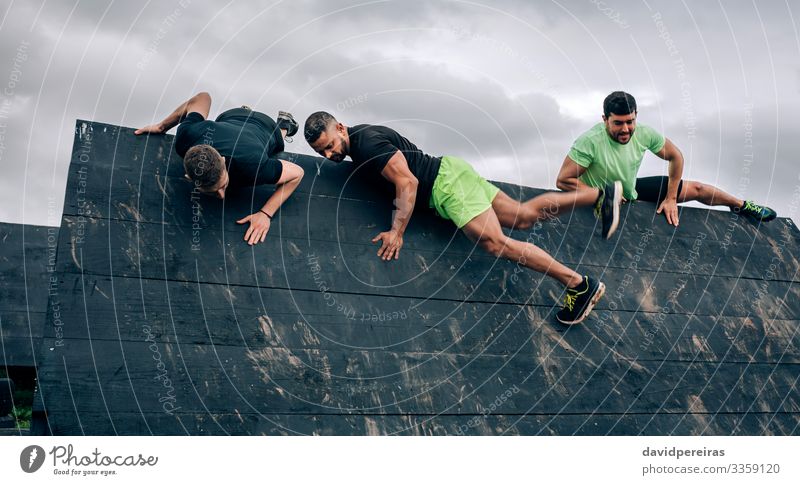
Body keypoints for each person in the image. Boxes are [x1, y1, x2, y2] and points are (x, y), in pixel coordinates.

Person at [304, 112, 615, 325]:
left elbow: (408, 182)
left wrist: (396, 231)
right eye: (323, 152)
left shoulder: (366, 144)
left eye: (331, 145)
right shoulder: (360, 140)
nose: (330, 154)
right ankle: (595, 195)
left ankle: (578, 284)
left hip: (447, 185)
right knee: (521, 216)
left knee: (495, 244)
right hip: (452, 172)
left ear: (340, 128)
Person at [556, 91, 777, 227]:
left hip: (631, 191)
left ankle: (742, 205)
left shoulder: (643, 133)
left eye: (630, 121)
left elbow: (675, 156)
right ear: (605, 119)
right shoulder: (590, 141)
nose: (626, 129)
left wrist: (671, 198)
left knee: (697, 188)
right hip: (600, 199)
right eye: (618, 123)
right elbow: (564, 180)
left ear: (636, 117)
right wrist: (600, 194)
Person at [135, 92, 304, 245]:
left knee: (277, 142)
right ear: (189, 177)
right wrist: (162, 127)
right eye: (214, 191)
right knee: (236, 123)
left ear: (223, 161)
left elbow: (297, 173)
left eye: (222, 186)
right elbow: (203, 97)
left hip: (266, 126)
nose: (222, 195)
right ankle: (245, 111)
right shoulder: (186, 137)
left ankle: (284, 124)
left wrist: (265, 213)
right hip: (233, 114)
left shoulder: (253, 165)